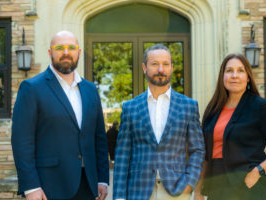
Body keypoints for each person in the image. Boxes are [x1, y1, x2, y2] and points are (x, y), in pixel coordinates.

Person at [11, 31, 109, 200]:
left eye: (71, 47)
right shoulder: (32, 88)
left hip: (88, 185)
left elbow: (99, 138)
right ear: (50, 53)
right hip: (49, 187)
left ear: (78, 52)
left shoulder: (90, 90)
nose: (66, 52)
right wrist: (31, 186)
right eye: (59, 48)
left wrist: (103, 179)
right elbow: (22, 142)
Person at [113, 44, 205, 200]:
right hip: (138, 190)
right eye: (154, 64)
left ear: (171, 67)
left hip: (177, 190)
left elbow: (198, 149)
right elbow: (122, 155)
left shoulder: (188, 106)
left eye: (166, 64)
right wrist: (119, 196)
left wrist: (189, 183)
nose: (160, 69)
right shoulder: (130, 107)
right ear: (144, 67)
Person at [194, 53, 266, 200]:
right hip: (216, 184)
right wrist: (198, 191)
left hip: (247, 184)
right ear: (222, 77)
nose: (234, 75)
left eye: (240, 70)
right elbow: (206, 156)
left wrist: (257, 172)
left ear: (247, 77)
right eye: (229, 71)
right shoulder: (213, 110)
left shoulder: (260, 107)